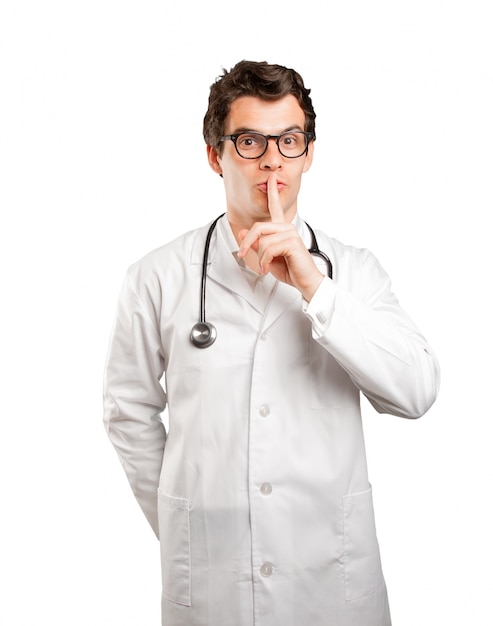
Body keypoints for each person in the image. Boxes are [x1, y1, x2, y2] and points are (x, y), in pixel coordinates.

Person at [103, 60, 440, 626]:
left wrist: (314, 285)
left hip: (332, 581)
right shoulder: (156, 277)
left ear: (309, 152)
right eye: (250, 140)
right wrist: (189, 526)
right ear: (216, 155)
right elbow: (128, 412)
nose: (272, 161)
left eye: (288, 140)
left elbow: (416, 391)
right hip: (214, 583)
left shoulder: (352, 272)